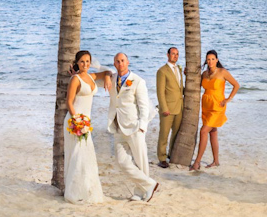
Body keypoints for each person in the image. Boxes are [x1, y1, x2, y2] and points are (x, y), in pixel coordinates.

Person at [107, 53, 159, 202]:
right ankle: (149, 184)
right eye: (117, 61)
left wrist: (142, 127)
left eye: (123, 60)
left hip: (135, 127)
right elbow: (95, 78)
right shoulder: (111, 78)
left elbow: (143, 107)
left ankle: (140, 191)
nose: (120, 63)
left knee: (140, 161)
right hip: (118, 127)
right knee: (122, 161)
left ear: (128, 62)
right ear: (114, 64)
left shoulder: (138, 81)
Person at [64, 50, 111, 204]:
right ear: (77, 63)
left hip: (86, 123)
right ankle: (74, 192)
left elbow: (108, 71)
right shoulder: (75, 79)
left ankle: (86, 189)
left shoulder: (91, 77)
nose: (85, 64)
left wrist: (108, 78)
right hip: (75, 122)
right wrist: (77, 121)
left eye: (87, 61)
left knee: (86, 156)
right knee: (77, 156)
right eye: (82, 61)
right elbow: (69, 102)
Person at [190, 50, 240, 171]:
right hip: (206, 106)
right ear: (206, 61)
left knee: (203, 131)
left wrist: (228, 99)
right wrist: (188, 74)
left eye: (213, 59)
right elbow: (195, 85)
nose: (210, 61)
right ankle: (216, 161)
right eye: (208, 59)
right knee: (213, 132)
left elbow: (236, 85)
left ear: (217, 60)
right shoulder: (204, 74)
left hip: (217, 106)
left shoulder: (222, 72)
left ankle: (197, 163)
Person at [156, 47, 184, 168]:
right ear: (167, 55)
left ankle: (171, 154)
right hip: (167, 108)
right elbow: (160, 92)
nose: (175, 56)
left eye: (177, 54)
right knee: (164, 134)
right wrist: (164, 108)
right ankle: (161, 158)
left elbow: (179, 88)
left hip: (179, 107)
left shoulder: (179, 69)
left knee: (176, 133)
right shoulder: (162, 71)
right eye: (173, 54)